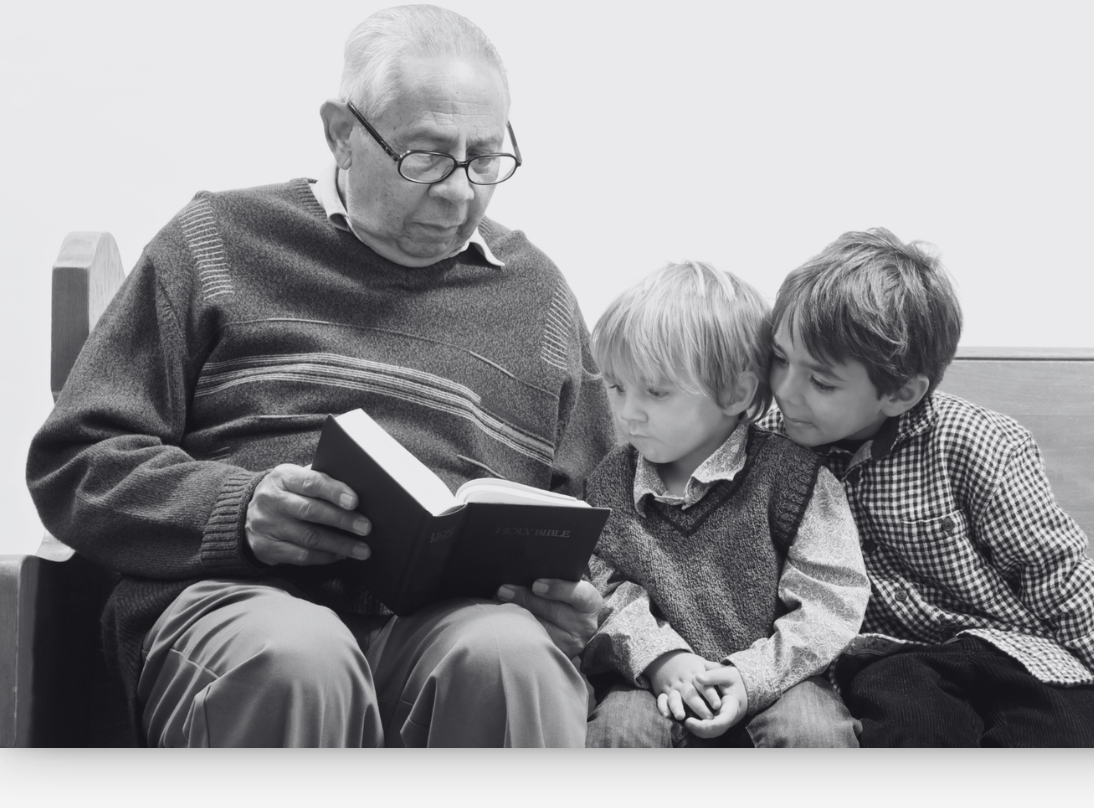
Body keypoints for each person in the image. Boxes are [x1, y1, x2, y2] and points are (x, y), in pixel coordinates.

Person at [26, 5, 614, 748]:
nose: (461, 191)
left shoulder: (541, 298)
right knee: (300, 659)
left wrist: (580, 604)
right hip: (244, 606)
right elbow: (76, 463)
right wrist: (237, 510)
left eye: (484, 158)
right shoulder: (218, 241)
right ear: (342, 131)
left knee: (515, 660)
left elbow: (601, 515)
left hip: (451, 626)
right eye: (427, 156)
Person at [761, 227, 1094, 746]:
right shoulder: (768, 449)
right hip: (892, 658)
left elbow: (1056, 575)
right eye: (780, 358)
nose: (784, 391)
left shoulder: (979, 444)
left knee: (1060, 731)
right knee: (913, 726)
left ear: (899, 393)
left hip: (1015, 648)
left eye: (821, 382)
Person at [579, 260, 870, 747]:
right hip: (653, 679)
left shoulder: (794, 478)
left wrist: (750, 676)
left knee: (813, 733)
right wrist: (659, 657)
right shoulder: (611, 481)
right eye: (616, 386)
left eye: (656, 390)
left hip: (780, 679)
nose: (628, 412)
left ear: (735, 391)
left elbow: (830, 599)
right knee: (618, 731)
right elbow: (602, 588)